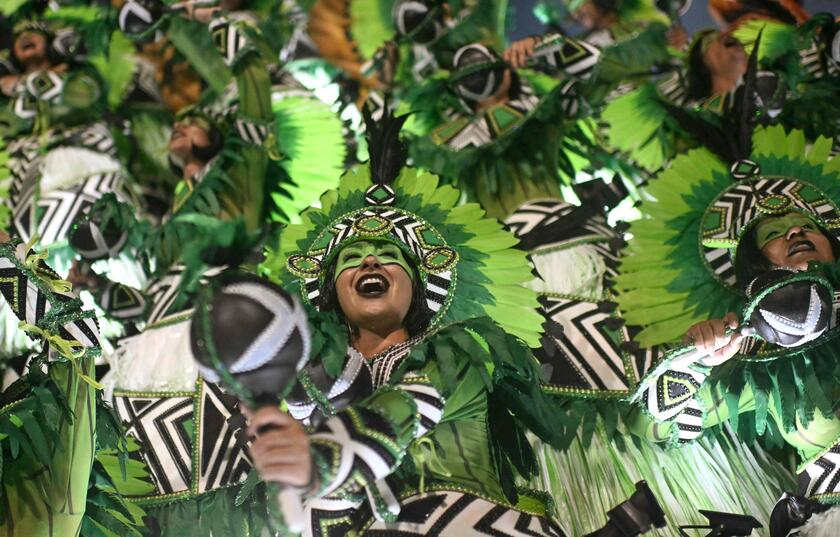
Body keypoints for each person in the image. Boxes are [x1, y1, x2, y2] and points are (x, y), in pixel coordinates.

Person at [244, 111, 568, 535]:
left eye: (390, 256)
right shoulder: (309, 380)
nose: (371, 260)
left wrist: (324, 457)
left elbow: (410, 404)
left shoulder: (454, 352)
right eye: (351, 259)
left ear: (421, 288)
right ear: (329, 294)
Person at [616, 125, 840, 534]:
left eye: (808, 226)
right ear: (756, 266)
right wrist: (696, 362)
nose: (796, 231)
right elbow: (649, 428)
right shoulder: (757, 362)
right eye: (774, 233)